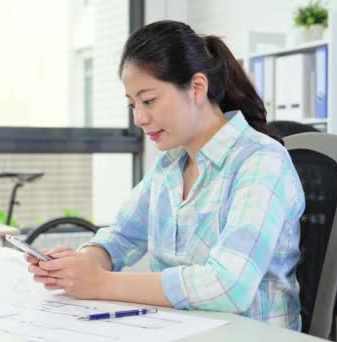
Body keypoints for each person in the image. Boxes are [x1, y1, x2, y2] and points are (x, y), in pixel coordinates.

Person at [26, 20, 305, 331]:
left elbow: (229, 286)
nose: (140, 118)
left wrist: (101, 283)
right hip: (178, 329)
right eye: (132, 104)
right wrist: (85, 262)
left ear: (197, 88)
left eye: (149, 100)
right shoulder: (172, 164)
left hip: (250, 334)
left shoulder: (261, 161)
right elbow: (121, 236)